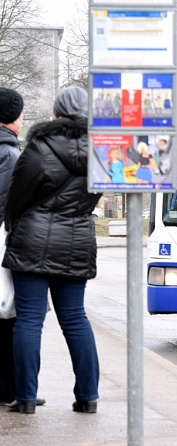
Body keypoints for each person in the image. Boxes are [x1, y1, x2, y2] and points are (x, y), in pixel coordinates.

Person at [2, 86, 102, 414]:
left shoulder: (38, 148)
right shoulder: (104, 152)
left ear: (56, 112)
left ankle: (26, 398)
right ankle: (87, 397)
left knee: (29, 320)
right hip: (77, 240)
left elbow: (15, 199)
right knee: (75, 318)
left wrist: (17, 223)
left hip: (31, 241)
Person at [0, 88, 46, 408]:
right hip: (6, 243)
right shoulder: (11, 156)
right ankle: (11, 390)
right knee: (11, 316)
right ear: (14, 119)